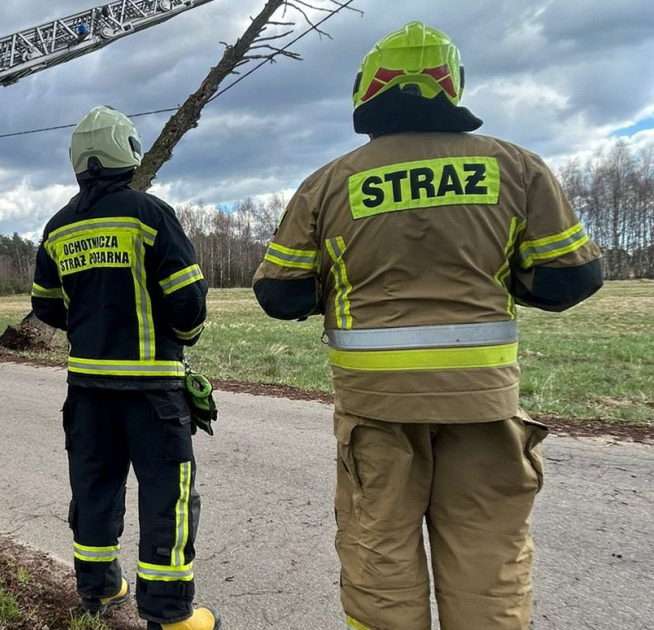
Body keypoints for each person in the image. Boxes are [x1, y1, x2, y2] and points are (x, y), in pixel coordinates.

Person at [252, 22, 604, 630]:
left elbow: (279, 295)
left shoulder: (329, 183)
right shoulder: (517, 167)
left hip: (376, 409)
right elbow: (572, 279)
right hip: (484, 405)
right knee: (488, 559)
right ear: (451, 85)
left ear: (367, 88)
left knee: (378, 553)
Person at [31, 106, 217, 630]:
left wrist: (90, 326)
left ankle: (99, 591)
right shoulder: (148, 213)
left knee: (94, 489)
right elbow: (189, 299)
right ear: (127, 152)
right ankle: (171, 616)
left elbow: (45, 304)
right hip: (153, 391)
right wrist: (180, 340)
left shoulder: (58, 227)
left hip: (87, 391)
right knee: (166, 499)